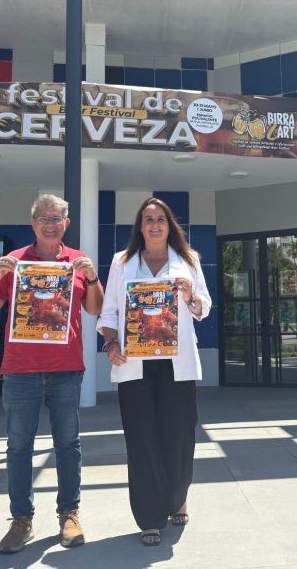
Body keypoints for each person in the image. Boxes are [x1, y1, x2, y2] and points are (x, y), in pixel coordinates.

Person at [0, 194, 103, 554]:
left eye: (56, 218)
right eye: (43, 218)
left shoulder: (77, 261)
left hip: (66, 370)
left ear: (67, 223)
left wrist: (92, 277)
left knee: (68, 444)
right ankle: (21, 519)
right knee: (19, 447)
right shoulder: (14, 262)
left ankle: (69, 514)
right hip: (21, 370)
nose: (50, 224)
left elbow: (94, 309)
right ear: (33, 223)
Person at [98, 197, 212, 547]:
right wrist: (111, 343)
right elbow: (109, 311)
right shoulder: (122, 262)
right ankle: (149, 517)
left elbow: (203, 307)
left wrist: (190, 295)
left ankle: (177, 498)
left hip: (177, 363)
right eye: (148, 219)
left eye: (160, 219)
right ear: (140, 227)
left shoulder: (188, 260)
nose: (154, 225)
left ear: (169, 224)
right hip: (135, 363)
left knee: (179, 436)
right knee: (141, 438)